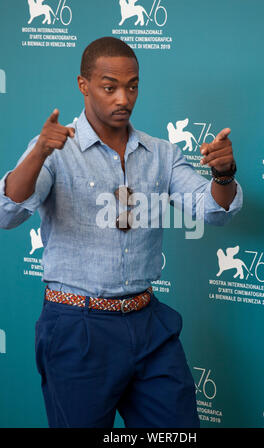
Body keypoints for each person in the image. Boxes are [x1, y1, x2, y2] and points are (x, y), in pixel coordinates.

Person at [0, 37, 242, 428]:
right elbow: (6, 212)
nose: (123, 98)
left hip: (149, 324)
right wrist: (40, 153)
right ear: (83, 84)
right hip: (78, 328)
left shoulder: (162, 153)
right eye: (109, 86)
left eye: (132, 86)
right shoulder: (55, 149)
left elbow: (212, 210)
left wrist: (223, 174)